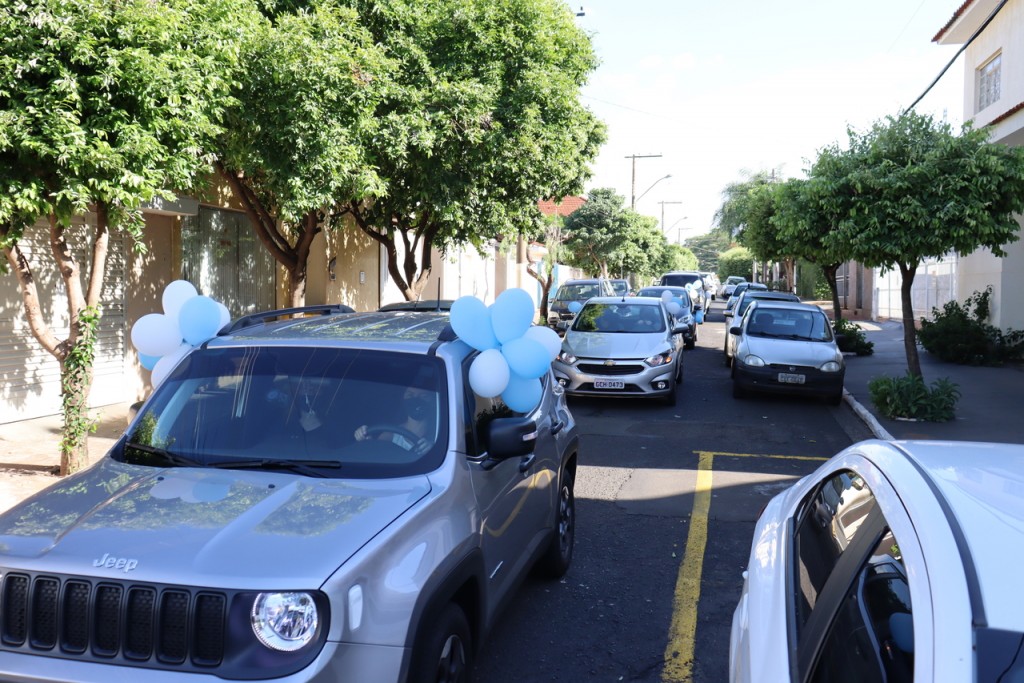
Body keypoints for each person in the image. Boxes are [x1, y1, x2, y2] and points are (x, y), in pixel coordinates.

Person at [354, 386, 436, 454]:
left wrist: (434, 451)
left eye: (423, 396)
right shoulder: (390, 435)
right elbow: (376, 455)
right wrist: (363, 436)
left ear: (432, 402)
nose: (416, 399)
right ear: (403, 400)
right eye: (410, 395)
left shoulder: (439, 436)